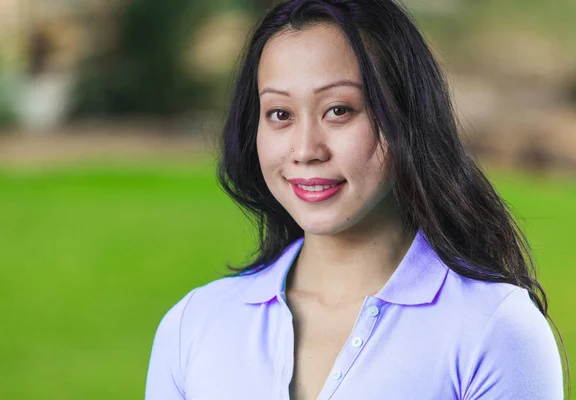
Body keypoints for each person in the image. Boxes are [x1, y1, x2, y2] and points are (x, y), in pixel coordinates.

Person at [145, 1, 568, 399]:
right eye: (280, 114)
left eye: (339, 110)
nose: (306, 149)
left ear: (406, 115)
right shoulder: (194, 325)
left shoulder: (495, 331)